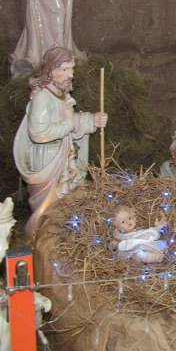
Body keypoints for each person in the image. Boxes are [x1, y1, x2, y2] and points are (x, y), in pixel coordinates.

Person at [12, 47, 108, 237]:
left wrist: (91, 120)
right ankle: (44, 240)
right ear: (50, 70)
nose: (70, 74)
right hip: (47, 160)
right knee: (48, 210)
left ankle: (64, 238)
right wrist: (69, 123)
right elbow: (39, 133)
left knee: (68, 201)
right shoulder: (42, 98)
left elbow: (66, 120)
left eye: (71, 69)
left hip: (64, 158)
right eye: (64, 69)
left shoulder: (61, 94)